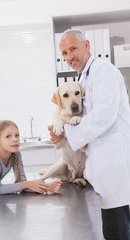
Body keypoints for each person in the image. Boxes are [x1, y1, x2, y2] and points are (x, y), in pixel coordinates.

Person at [49, 29, 130, 240]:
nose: (69, 57)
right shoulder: (82, 79)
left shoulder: (103, 70)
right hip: (100, 166)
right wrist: (61, 132)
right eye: (64, 53)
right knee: (111, 229)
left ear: (87, 46)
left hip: (114, 164)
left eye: (73, 48)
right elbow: (76, 117)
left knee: (117, 231)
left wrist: (66, 131)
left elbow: (104, 116)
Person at [0, 120, 62, 195]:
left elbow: (23, 184)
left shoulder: (16, 154)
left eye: (17, 135)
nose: (15, 139)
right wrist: (26, 184)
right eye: (8, 136)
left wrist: (45, 187)